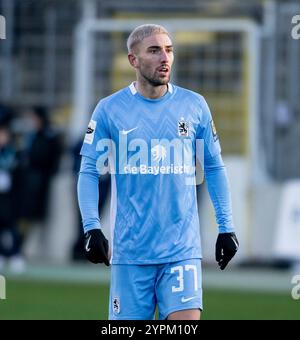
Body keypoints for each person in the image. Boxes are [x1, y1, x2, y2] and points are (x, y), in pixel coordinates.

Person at [77, 24, 239, 320]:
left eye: (169, 49)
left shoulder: (194, 105)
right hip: (130, 253)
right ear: (133, 60)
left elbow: (214, 167)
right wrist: (91, 227)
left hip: (181, 250)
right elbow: (88, 171)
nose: (165, 57)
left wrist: (226, 227)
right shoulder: (109, 110)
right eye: (154, 50)